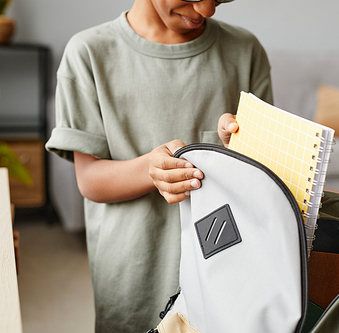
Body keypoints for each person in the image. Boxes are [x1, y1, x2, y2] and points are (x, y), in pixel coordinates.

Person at [45, 0, 273, 332]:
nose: (207, 10)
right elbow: (89, 180)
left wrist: (237, 147)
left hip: (225, 278)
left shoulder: (245, 50)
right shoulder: (89, 53)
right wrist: (149, 171)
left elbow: (266, 176)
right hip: (131, 281)